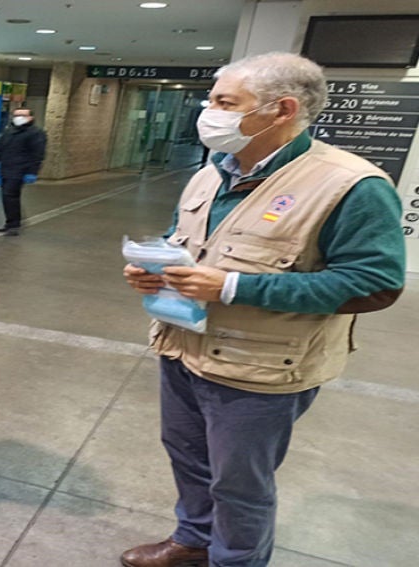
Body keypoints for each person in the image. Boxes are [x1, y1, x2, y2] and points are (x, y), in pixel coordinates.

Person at [121, 52, 406, 567]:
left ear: (282, 110)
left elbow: (375, 284)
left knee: (240, 485)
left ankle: (235, 561)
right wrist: (158, 264)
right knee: (188, 459)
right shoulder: (212, 171)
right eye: (212, 100)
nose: (209, 111)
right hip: (183, 347)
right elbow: (185, 237)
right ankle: (194, 539)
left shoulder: (351, 186)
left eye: (225, 102)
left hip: (260, 369)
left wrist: (233, 287)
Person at [0, 107, 47, 236]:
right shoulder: (9, 132)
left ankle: (13, 225)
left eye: (22, 115)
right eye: (16, 115)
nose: (18, 118)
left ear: (31, 118)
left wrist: (32, 172)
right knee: (8, 197)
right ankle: (12, 223)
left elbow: (37, 154)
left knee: (10, 196)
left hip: (20, 170)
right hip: (7, 169)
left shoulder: (36, 134)